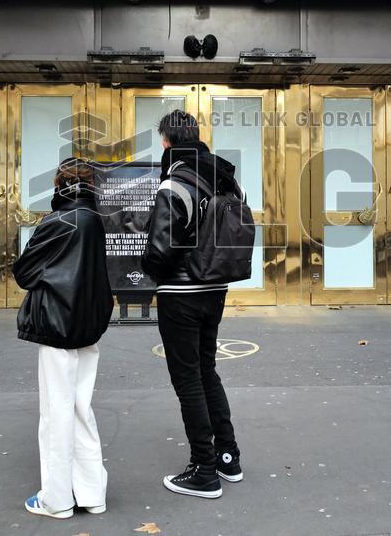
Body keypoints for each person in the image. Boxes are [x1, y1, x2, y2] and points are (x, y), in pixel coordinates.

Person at [141, 110, 243, 499]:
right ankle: (228, 457)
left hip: (180, 295)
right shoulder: (226, 179)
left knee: (187, 380)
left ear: (166, 142)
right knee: (207, 371)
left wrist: (146, 266)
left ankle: (203, 469)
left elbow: (160, 250)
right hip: (215, 290)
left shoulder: (174, 184)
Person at [12, 158, 113, 519]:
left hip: (57, 325)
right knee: (80, 409)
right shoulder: (94, 220)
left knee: (56, 413)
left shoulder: (58, 222)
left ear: (59, 185)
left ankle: (56, 500)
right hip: (88, 326)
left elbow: (23, 272)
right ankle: (92, 493)